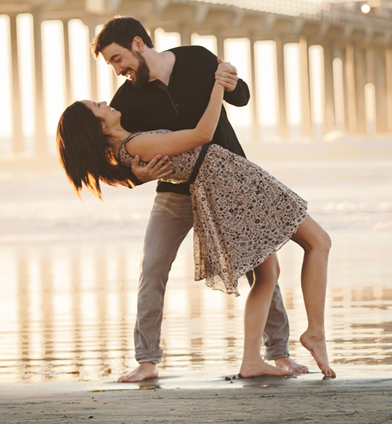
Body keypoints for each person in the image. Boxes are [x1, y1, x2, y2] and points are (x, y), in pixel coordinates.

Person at [56, 74, 335, 379]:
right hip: (230, 184)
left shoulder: (130, 143)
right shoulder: (135, 143)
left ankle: (259, 357)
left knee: (269, 274)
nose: (106, 103)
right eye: (98, 106)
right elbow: (203, 133)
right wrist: (217, 83)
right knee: (309, 248)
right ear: (97, 126)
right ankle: (299, 339)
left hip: (230, 180)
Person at [87, 16, 307, 382]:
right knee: (153, 268)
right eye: (111, 63)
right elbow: (113, 153)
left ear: (138, 44)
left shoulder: (196, 59)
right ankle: (146, 360)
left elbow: (241, 96)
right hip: (176, 192)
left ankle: (279, 353)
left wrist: (233, 84)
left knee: (261, 266)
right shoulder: (126, 99)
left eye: (116, 58)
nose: (116, 69)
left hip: (230, 185)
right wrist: (134, 178)